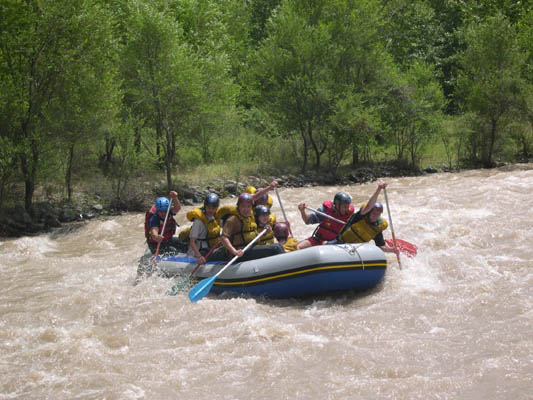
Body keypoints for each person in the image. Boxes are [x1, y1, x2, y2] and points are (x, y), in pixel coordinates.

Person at [212, 191, 283, 262]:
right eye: (243, 206)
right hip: (240, 252)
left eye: (248, 206)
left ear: (252, 207)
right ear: (238, 206)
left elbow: (249, 235)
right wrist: (234, 251)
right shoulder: (232, 220)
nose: (246, 209)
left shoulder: (249, 217)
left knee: (278, 246)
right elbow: (223, 238)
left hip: (251, 247)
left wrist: (264, 233)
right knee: (276, 248)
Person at [334, 182, 399, 255]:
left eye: (378, 214)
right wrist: (379, 189)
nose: (375, 216)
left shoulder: (377, 228)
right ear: (370, 212)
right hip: (340, 243)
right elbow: (368, 206)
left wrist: (392, 250)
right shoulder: (361, 216)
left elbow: (381, 246)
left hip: (354, 252)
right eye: (374, 213)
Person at [185, 193, 221, 264]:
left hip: (210, 249)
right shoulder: (198, 221)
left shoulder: (216, 218)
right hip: (199, 252)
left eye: (213, 208)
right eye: (209, 208)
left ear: (217, 208)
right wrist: (199, 257)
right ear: (205, 207)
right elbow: (192, 242)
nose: (211, 210)